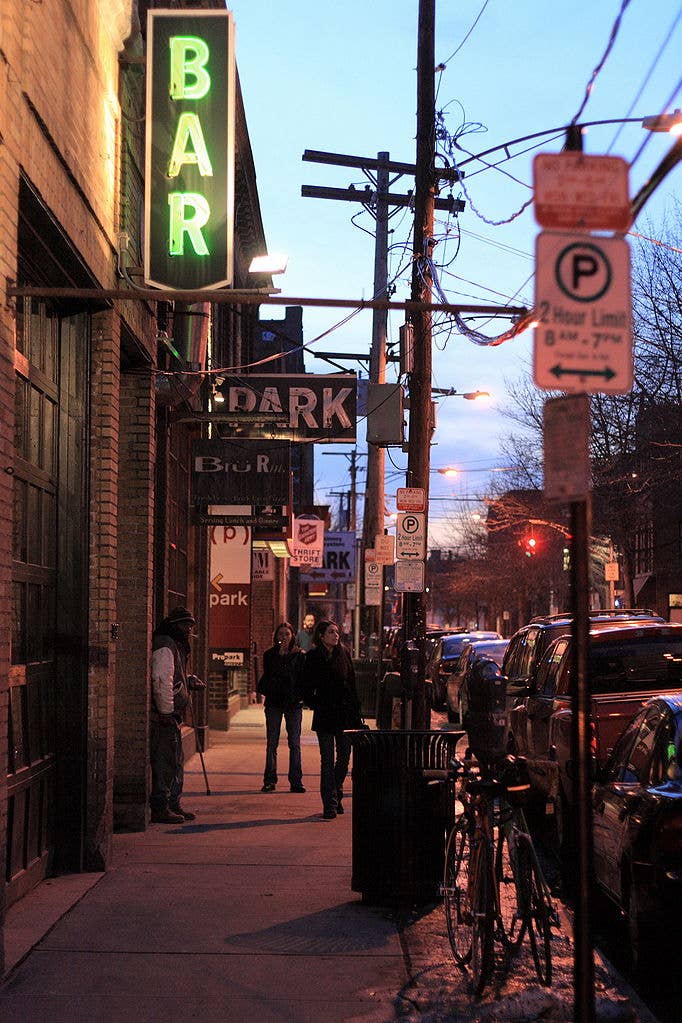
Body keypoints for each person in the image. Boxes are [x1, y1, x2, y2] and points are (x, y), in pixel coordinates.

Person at [150, 606, 205, 823]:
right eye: (185, 625)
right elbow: (161, 680)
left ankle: (174, 803)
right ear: (175, 625)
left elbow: (174, 675)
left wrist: (188, 680)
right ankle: (161, 806)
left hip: (173, 712)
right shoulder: (165, 644)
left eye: (191, 625)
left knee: (175, 760)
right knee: (166, 761)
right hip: (166, 715)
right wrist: (165, 711)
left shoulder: (176, 646)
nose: (189, 629)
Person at [302, 619, 361, 820]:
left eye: (336, 632)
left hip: (344, 715)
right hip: (326, 714)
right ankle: (330, 804)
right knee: (326, 760)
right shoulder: (313, 657)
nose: (336, 635)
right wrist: (316, 702)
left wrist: (356, 713)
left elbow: (351, 682)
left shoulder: (343, 653)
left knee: (344, 758)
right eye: (331, 632)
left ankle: (336, 791)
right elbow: (306, 686)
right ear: (321, 636)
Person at [257, 622, 306, 793]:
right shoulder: (270, 655)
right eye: (281, 634)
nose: (284, 637)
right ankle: (270, 780)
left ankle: (296, 781)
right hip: (274, 703)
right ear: (276, 637)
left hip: (293, 704)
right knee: (272, 743)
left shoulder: (300, 656)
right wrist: (281, 656)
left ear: (292, 636)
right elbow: (271, 675)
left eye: (287, 634)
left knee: (295, 743)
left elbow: (300, 679)